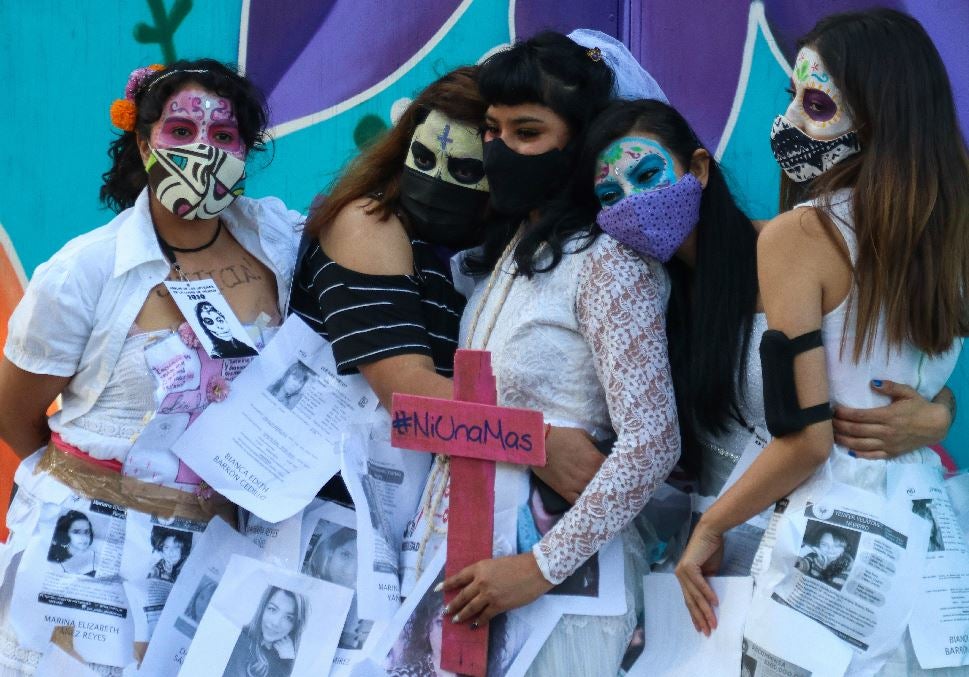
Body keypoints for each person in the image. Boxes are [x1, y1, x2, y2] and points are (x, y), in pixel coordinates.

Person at [674, 9, 967, 676]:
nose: (792, 125)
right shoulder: (951, 233)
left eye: (815, 104)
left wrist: (711, 525)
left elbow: (804, 439)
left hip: (831, 557)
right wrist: (937, 411)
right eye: (793, 100)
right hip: (934, 565)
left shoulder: (799, 236)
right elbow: (906, 367)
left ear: (874, 113)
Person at [0, 59, 300, 675]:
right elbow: (13, 412)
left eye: (224, 137)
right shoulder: (85, 269)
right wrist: (92, 495)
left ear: (248, 151)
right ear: (142, 141)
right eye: (181, 131)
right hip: (85, 563)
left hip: (225, 555)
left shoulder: (281, 242)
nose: (204, 152)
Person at [581, 98, 955, 575]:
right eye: (610, 196)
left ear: (698, 168)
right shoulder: (634, 300)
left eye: (649, 175)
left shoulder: (788, 252)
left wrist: (939, 413)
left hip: (818, 550)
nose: (633, 200)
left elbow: (882, 362)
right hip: (711, 559)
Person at [288, 65, 609, 581]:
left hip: (429, 511)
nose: (434, 182)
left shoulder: (498, 254)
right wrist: (538, 442)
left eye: (464, 170)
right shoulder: (370, 221)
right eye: (421, 157)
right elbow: (407, 393)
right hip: (342, 521)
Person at [425, 32, 679, 675]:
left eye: (527, 133)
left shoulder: (610, 262)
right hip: (464, 569)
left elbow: (652, 442)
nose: (500, 150)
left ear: (579, 142)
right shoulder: (504, 254)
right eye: (491, 129)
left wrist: (537, 569)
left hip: (562, 590)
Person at [304, 526, 372, 650]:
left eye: (362, 561)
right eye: (345, 555)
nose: (350, 570)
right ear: (330, 553)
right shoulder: (305, 585)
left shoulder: (364, 609)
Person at [223, 586, 306, 677]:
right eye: (272, 609)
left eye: (288, 618)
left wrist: (287, 661)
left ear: (295, 626)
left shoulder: (289, 657)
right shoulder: (239, 640)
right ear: (263, 608)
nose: (276, 622)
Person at [46, 510, 97, 577]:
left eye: (86, 532)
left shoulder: (95, 556)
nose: (83, 537)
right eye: (76, 532)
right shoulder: (55, 561)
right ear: (66, 534)